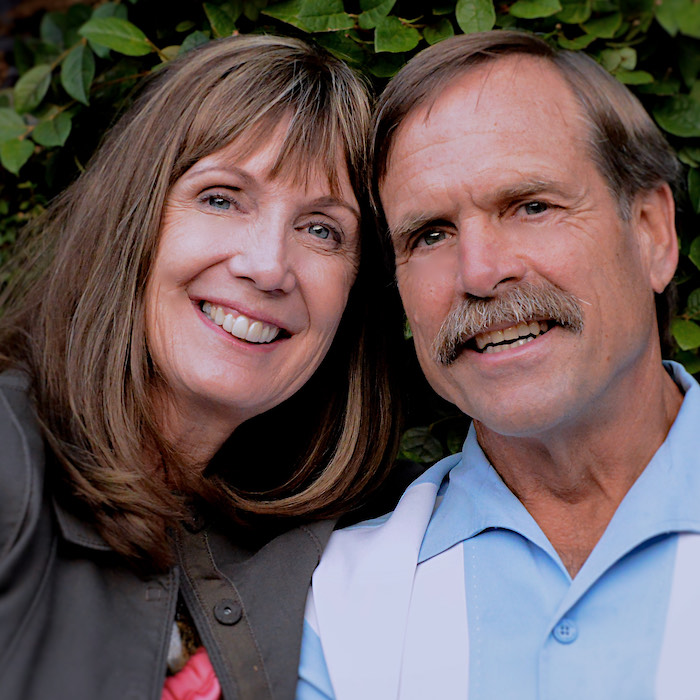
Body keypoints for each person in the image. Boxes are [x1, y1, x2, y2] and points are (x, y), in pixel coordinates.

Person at [297, 30, 699, 699]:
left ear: (652, 232)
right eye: (431, 234)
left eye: (531, 206)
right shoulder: (337, 607)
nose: (480, 273)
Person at [0, 34, 402, 700]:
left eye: (322, 229)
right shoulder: (11, 460)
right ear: (135, 218)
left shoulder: (362, 540)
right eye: (221, 198)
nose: (268, 266)